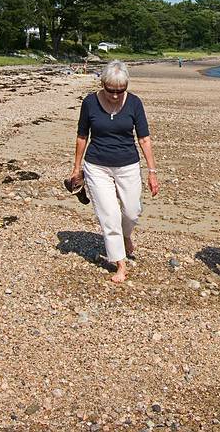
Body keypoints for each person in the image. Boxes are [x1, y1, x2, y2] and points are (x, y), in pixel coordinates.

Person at [69, 60, 160, 283]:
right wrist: (76, 167)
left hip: (127, 164)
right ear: (103, 84)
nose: (116, 95)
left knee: (132, 211)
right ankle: (120, 263)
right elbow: (82, 136)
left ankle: (126, 235)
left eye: (121, 90)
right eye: (111, 90)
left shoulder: (135, 103)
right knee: (109, 215)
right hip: (97, 166)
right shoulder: (90, 102)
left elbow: (144, 138)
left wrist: (152, 171)